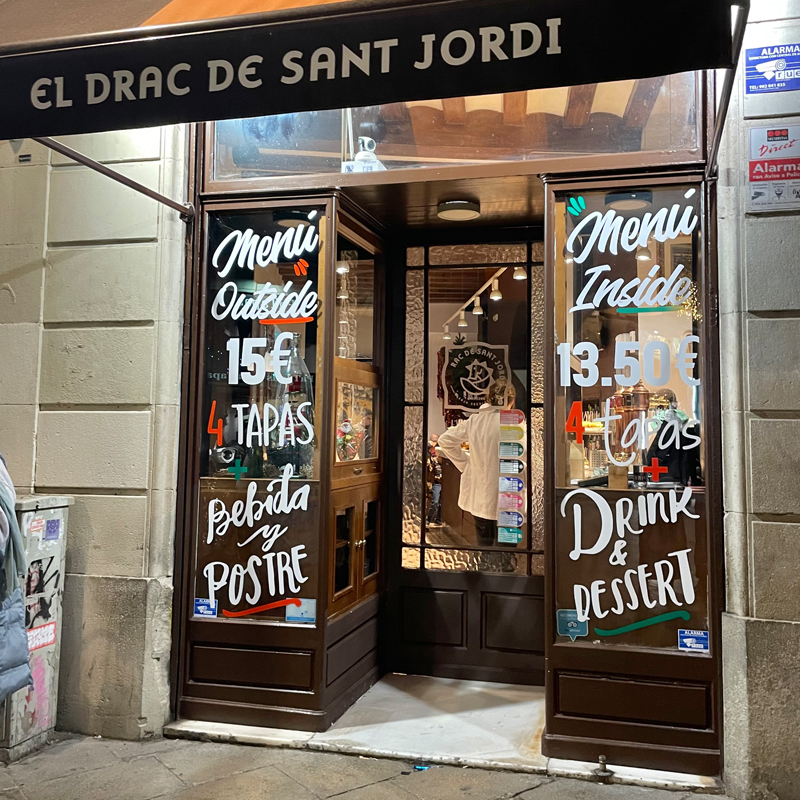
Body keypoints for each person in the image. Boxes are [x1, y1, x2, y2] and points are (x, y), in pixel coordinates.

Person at [437, 379, 517, 548]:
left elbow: (445, 440)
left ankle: (486, 564)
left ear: (489, 399)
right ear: (511, 402)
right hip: (508, 497)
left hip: (481, 497)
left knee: (484, 546)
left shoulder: (475, 421)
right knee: (506, 551)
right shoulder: (514, 424)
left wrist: (466, 464)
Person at [426, 433, 443, 525]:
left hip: (442, 482)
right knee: (435, 501)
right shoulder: (431, 457)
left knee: (440, 502)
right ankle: (428, 519)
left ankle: (438, 518)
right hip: (436, 481)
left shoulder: (443, 460)